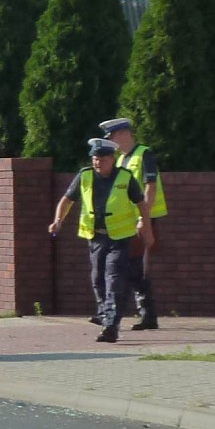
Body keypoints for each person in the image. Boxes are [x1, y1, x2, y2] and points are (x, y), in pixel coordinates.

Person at [48, 138, 154, 343]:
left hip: (121, 238)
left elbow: (141, 203)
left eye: (102, 159)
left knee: (113, 279)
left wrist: (146, 228)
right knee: (98, 279)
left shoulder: (125, 177)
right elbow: (67, 200)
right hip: (95, 237)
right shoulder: (84, 176)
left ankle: (111, 326)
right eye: (95, 159)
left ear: (112, 159)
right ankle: (106, 315)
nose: (98, 163)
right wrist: (57, 221)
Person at [99, 118, 167, 330]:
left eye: (112, 137)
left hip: (143, 220)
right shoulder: (121, 160)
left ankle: (140, 313)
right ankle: (146, 314)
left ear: (123, 134)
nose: (111, 142)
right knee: (131, 266)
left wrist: (143, 219)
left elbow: (150, 187)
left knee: (132, 265)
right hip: (128, 222)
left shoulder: (144, 154)